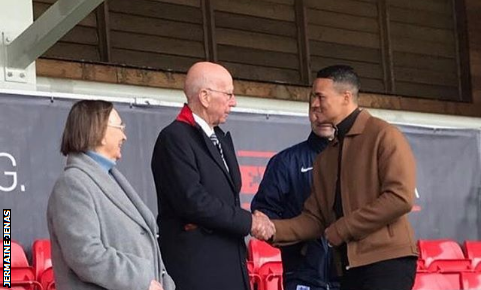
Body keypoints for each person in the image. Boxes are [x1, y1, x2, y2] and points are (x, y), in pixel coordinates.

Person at [261, 65, 418, 290]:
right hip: (347, 268)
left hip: (387, 262)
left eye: (320, 96)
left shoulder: (384, 134)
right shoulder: (326, 157)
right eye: (313, 97)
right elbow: (314, 218)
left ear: (346, 97)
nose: (314, 103)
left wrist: (343, 228)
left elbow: (400, 197)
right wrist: (273, 229)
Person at [151, 62, 274, 290]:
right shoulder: (174, 138)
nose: (234, 102)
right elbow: (193, 201)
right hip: (199, 271)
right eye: (228, 94)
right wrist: (249, 222)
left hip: (230, 266)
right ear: (205, 97)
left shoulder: (219, 138)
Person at [47, 100, 175, 290]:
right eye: (119, 127)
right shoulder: (72, 184)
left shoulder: (109, 177)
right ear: (98, 131)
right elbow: (85, 254)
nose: (124, 136)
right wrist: (142, 280)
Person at [251, 100, 338, 290]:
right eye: (315, 110)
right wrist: (299, 239)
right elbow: (264, 214)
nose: (321, 117)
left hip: (350, 275)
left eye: (327, 109)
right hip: (302, 275)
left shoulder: (358, 160)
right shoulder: (286, 161)